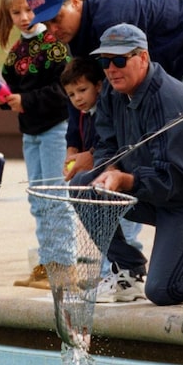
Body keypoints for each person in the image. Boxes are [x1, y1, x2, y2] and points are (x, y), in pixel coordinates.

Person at [71, 23, 183, 306]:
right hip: (156, 194)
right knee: (82, 188)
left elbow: (169, 178)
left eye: (120, 60)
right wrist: (109, 170)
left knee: (163, 290)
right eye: (104, 61)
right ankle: (128, 270)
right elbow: (107, 144)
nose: (111, 69)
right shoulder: (113, 91)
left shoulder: (173, 101)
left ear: (143, 58)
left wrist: (123, 181)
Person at [25, 0, 183, 143]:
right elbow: (78, 86)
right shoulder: (77, 35)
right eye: (46, 23)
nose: (53, 30)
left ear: (75, 1)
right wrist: (73, 144)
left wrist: (93, 155)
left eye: (56, 18)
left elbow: (118, 96)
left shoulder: (109, 22)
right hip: (172, 68)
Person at [0, 0, 74, 289]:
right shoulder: (15, 54)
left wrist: (24, 100)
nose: (24, 17)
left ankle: (64, 265)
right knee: (37, 198)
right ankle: (46, 263)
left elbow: (64, 90)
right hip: (31, 132)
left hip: (55, 129)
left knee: (55, 196)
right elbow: (11, 88)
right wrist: (2, 97)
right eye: (16, 13)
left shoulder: (54, 43)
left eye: (29, 10)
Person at [60, 55, 145, 301]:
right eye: (72, 94)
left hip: (125, 177)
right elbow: (74, 133)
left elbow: (114, 143)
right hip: (103, 176)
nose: (77, 99)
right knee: (85, 198)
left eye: (82, 90)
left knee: (125, 226)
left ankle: (128, 273)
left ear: (99, 85)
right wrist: (73, 151)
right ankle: (119, 271)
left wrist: (92, 155)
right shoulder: (84, 111)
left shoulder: (111, 106)